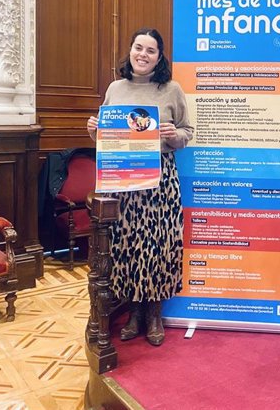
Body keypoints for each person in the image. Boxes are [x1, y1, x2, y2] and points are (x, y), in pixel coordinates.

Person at [87, 27, 193, 346]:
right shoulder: (115, 88)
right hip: (124, 182)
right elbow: (107, 138)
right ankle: (135, 312)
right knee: (129, 245)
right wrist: (94, 130)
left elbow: (187, 131)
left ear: (159, 57)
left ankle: (155, 314)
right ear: (130, 51)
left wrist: (174, 135)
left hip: (160, 181)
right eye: (138, 48)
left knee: (159, 246)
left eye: (150, 50)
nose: (142, 55)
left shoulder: (171, 89)